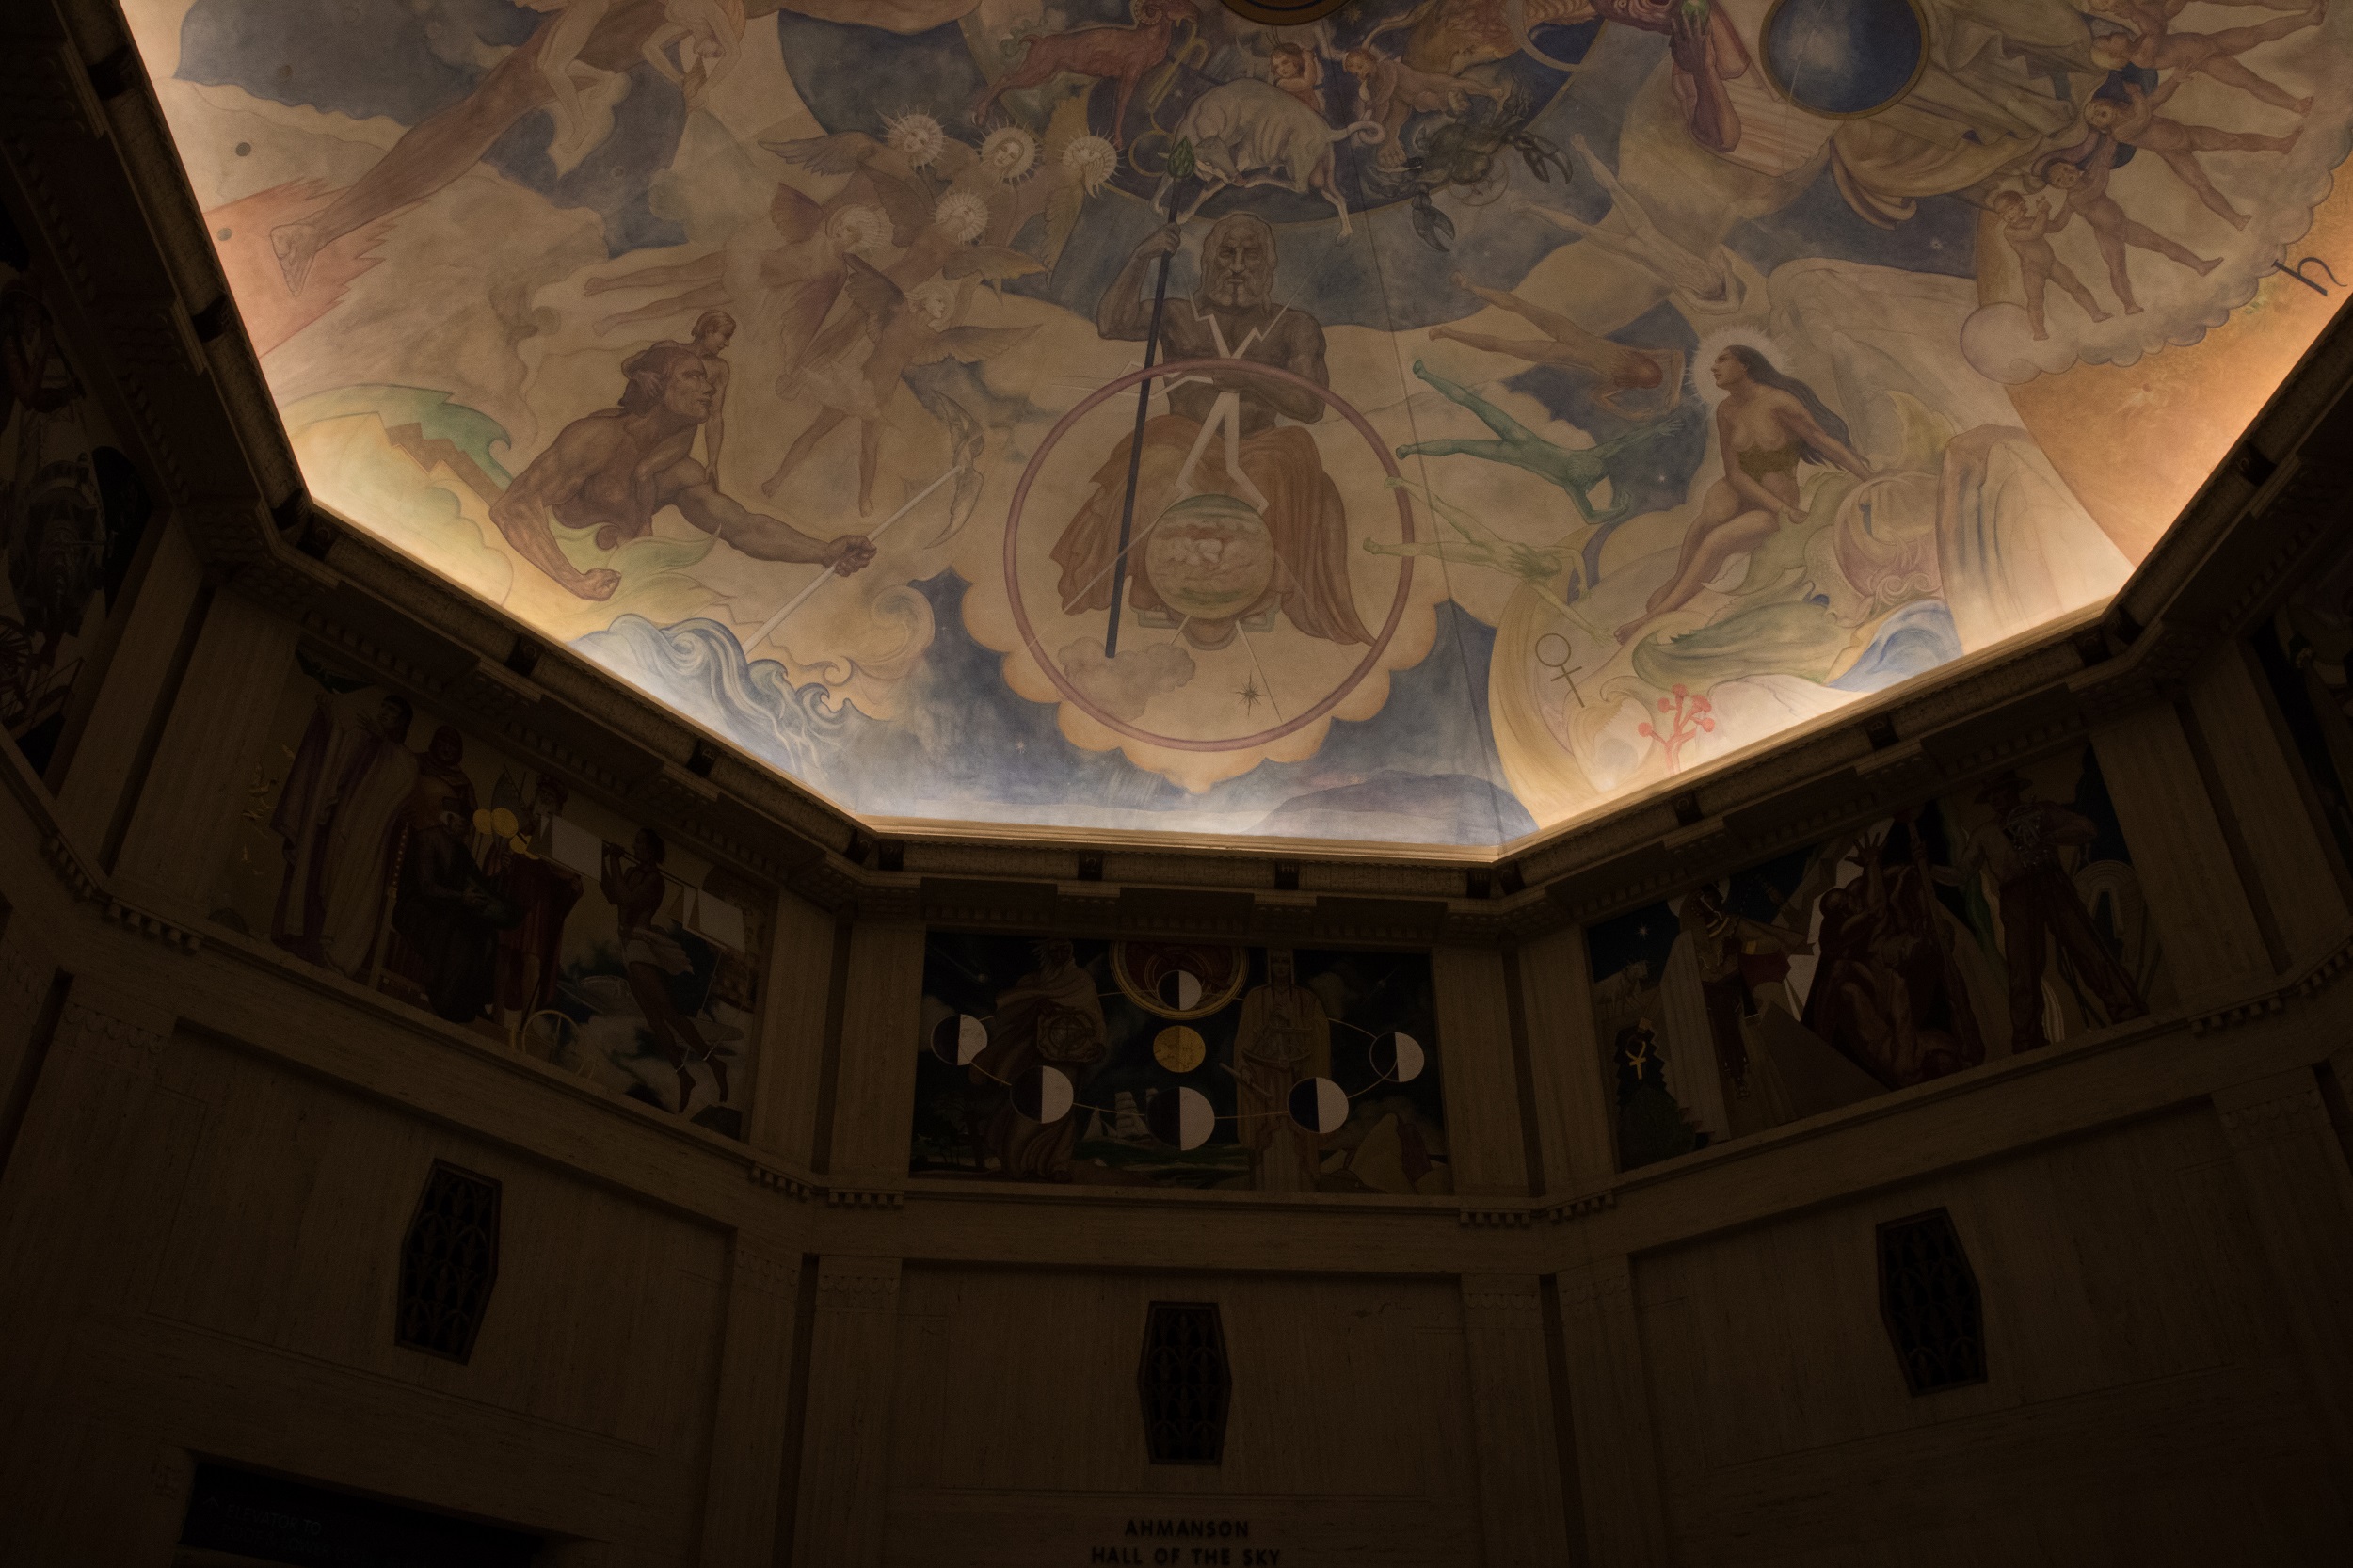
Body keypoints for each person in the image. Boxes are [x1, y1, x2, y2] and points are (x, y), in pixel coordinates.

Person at [1051, 215, 1370, 650]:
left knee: (1279, 472)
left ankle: (1250, 590)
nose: (1236, 265)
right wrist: (1141, 257)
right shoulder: (1178, 314)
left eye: (1250, 254)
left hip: (1260, 443)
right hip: (1184, 437)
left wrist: (1249, 377)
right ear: (1207, 261)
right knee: (1153, 467)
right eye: (1226, 252)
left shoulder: (1294, 327)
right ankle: (1159, 582)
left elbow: (1311, 405)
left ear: (1268, 265)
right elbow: (1112, 323)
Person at [489, 343, 874, 600]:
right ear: (658, 385)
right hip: (540, 570)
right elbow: (513, 507)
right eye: (693, 376)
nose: (709, 389)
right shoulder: (596, 439)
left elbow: (744, 528)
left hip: (609, 591)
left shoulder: (676, 472)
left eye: (706, 378)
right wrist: (573, 580)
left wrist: (823, 552)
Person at [1615, 345, 1873, 645]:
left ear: (1745, 365)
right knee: (1710, 516)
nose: (1714, 367)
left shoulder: (1779, 402)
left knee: (1716, 541)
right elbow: (1735, 474)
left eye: (1723, 359)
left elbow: (1823, 441)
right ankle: (1676, 581)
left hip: (1776, 507)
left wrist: (1869, 478)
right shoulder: (1726, 411)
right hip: (1742, 492)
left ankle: (1652, 618)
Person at [1962, 773, 2146, 1052]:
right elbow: (1962, 871)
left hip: (2051, 881)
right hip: (2016, 895)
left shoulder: (2041, 811)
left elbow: (2087, 829)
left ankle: (2126, 1008)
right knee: (2022, 967)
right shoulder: (1984, 833)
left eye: (1999, 791)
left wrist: (2047, 834)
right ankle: (2027, 1038)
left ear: (2013, 790)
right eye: (1990, 795)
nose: (1995, 799)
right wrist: (1927, 865)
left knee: (2086, 946)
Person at [269, 689, 421, 980]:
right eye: (383, 708)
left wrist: (384, 745)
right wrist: (328, 720)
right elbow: (334, 759)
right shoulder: (363, 739)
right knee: (316, 878)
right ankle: (304, 940)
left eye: (391, 712)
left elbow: (398, 783)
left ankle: (333, 952)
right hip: (335, 828)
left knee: (345, 891)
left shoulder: (403, 760)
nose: (383, 714)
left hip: (363, 842)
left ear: (402, 722)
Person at [1428, 271, 1684, 419]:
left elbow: (1676, 355)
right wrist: (1630, 414)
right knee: (1504, 344)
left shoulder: (1631, 355)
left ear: (1644, 363)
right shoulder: (1619, 380)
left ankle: (1468, 287)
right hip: (1562, 351)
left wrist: (1675, 389)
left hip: (1569, 335)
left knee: (1518, 309)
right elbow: (1597, 397)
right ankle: (1447, 332)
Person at [600, 828, 728, 1111]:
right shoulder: (632, 872)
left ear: (651, 849)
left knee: (668, 1012)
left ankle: (714, 1062)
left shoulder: (654, 880)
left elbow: (627, 900)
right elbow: (611, 894)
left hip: (640, 946)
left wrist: (614, 861)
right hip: (627, 948)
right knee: (654, 1018)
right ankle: (683, 1075)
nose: (635, 846)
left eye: (639, 842)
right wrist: (604, 860)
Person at [966, 939, 1107, 1180]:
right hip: (1036, 1054)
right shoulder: (1033, 982)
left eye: (1065, 949)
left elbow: (1094, 1015)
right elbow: (1011, 1013)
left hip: (1070, 1058)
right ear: (1047, 953)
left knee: (1062, 1111)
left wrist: (1099, 1045)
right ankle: (1019, 1163)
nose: (1060, 954)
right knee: (1029, 1108)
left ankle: (1057, 1165)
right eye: (1055, 950)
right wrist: (1035, 1005)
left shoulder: (1081, 981)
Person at [2082, 78, 2300, 231]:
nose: (2098, 113)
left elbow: (2158, 98)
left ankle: (2280, 144)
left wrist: (2176, 78)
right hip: (2173, 153)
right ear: (2102, 127)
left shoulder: (2132, 107)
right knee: (2201, 185)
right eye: (2095, 118)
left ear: (2108, 102)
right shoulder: (2120, 132)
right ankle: (2235, 219)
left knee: (2233, 139)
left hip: (2187, 133)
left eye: (2097, 108)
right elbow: (2142, 117)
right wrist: (2136, 93)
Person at [2041, 143, 2217, 315]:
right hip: (2107, 234)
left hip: (2123, 224)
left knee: (2160, 243)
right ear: (2057, 187)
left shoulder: (2088, 176)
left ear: (2072, 165)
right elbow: (2091, 193)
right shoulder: (2074, 199)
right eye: (2059, 180)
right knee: (2117, 268)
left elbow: (2102, 157)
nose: (2066, 177)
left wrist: (2111, 140)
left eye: (2065, 170)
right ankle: (2129, 305)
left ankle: (2200, 265)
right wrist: (2042, 216)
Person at [2089, 8, 2322, 115]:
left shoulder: (2137, 43)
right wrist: (2133, 12)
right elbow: (2156, 30)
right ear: (2116, 56)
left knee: (2256, 33)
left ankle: (2310, 18)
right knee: (2250, 81)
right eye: (2108, 39)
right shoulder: (2140, 57)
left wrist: (2134, 11)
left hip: (2210, 42)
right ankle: (2295, 105)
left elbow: (2157, 24)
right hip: (2205, 59)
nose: (2111, 33)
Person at [1232, 950, 1331, 1192]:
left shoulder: (1306, 999)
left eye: (1284, 961)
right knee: (1269, 1134)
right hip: (1266, 1081)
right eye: (1275, 961)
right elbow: (1244, 1039)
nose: (1280, 967)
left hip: (1296, 1078)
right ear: (1268, 965)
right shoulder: (1256, 998)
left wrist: (1292, 1019)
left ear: (1292, 965)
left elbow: (1319, 1036)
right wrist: (1244, 1069)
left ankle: (1302, 1187)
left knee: (1297, 1130)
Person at [1989, 189, 2110, 341]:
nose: (2008, 215)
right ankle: (2039, 332)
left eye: (2010, 208)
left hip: (2052, 264)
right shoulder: (2009, 231)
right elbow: (2034, 233)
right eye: (2003, 214)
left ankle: (2096, 313)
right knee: (2036, 301)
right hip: (2032, 271)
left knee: (2075, 286)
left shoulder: (2034, 220)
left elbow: (2056, 225)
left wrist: (2068, 207)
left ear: (2021, 205)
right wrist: (2043, 212)